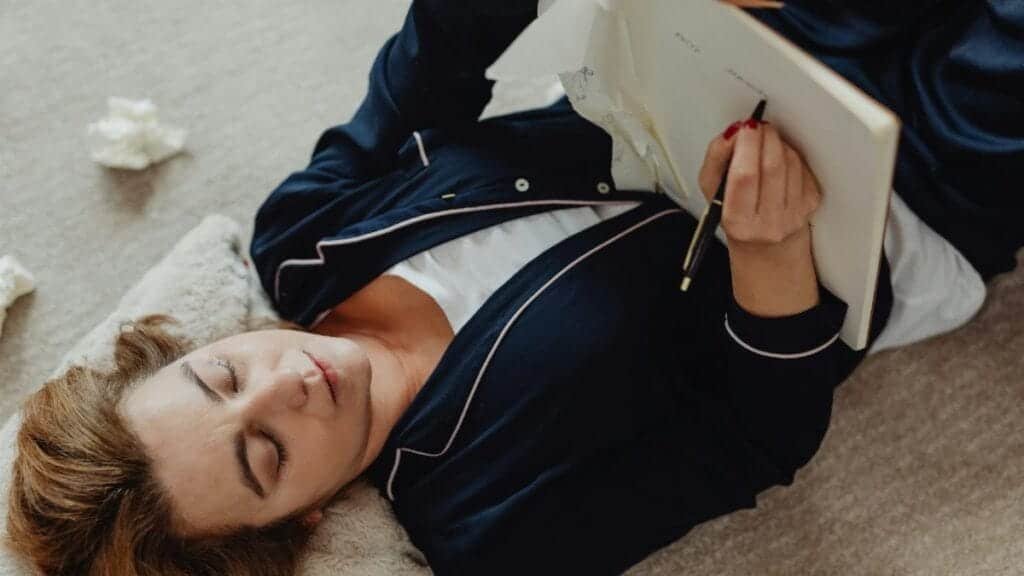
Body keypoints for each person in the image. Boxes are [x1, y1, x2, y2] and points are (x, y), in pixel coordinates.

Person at [6, 1, 1020, 574]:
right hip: (890, 212)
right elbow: (754, 441)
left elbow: (425, 74)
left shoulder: (304, 240)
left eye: (223, 378)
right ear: (302, 522)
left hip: (731, 69)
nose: (287, 385)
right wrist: (767, 250)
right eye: (265, 454)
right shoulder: (489, 524)